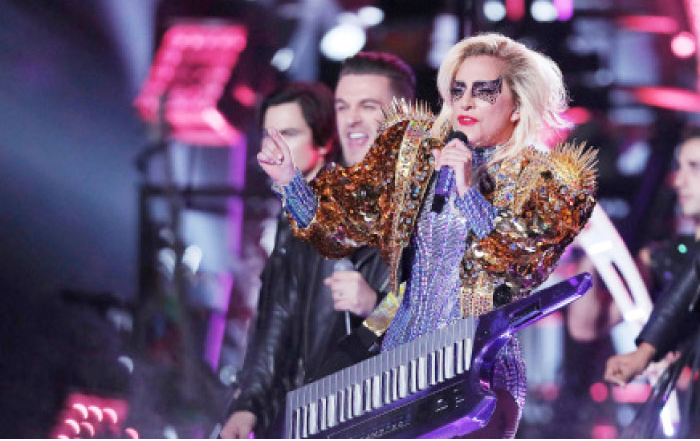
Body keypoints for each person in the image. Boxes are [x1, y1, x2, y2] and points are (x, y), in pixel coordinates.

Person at [258, 33, 598, 438]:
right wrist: (291, 182)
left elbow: (516, 262)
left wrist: (469, 192)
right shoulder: (416, 156)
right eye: (458, 89)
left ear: (518, 104)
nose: (466, 102)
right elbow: (342, 224)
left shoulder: (548, 179)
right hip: (399, 369)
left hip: (478, 375)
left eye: (485, 91)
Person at [222, 55, 417, 439]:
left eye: (368, 106)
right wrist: (250, 403)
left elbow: (432, 308)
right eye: (343, 106)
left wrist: (373, 306)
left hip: (381, 415)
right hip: (311, 413)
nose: (352, 119)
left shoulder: (427, 199)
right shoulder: (320, 207)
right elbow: (279, 317)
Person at [604, 134, 700, 438]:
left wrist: (644, 353)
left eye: (695, 167)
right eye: (680, 166)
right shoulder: (673, 255)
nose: (678, 181)